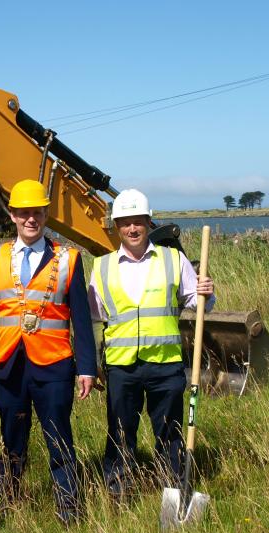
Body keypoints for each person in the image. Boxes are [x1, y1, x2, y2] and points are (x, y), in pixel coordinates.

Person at [0, 179, 96, 525]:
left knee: (59, 437)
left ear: (44, 215)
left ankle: (69, 508)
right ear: (13, 215)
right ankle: (11, 500)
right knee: (11, 439)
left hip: (54, 366)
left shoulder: (69, 259)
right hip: (8, 365)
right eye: (23, 213)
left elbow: (80, 317)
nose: (30, 219)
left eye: (36, 213)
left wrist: (87, 368)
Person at [87, 189, 215, 499]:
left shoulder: (173, 259)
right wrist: (89, 365)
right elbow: (90, 316)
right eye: (125, 223)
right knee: (119, 433)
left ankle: (173, 490)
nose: (132, 229)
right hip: (121, 367)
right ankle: (118, 493)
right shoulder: (102, 267)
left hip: (165, 364)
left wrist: (206, 292)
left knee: (169, 432)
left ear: (148, 222)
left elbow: (199, 304)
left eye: (138, 222)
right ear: (116, 227)